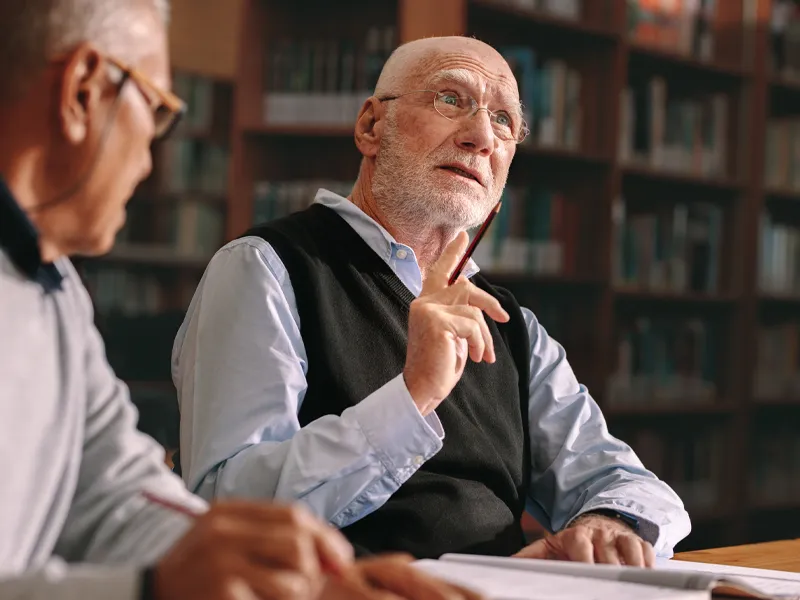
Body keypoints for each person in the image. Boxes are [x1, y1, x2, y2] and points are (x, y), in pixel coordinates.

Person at [0, 2, 483, 599]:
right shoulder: (263, 265)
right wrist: (149, 590)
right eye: (155, 110)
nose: (151, 159)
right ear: (81, 93)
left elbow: (122, 494)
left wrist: (310, 581)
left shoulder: (54, 287)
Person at [172, 35, 692, 565]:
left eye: (505, 122)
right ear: (372, 126)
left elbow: (621, 480)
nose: (481, 137)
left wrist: (609, 522)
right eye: (451, 99)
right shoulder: (264, 268)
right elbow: (228, 509)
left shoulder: (511, 324)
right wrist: (413, 394)